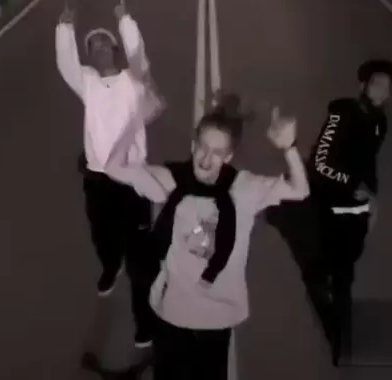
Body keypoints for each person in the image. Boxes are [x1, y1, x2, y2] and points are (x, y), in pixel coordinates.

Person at [105, 93, 310, 380]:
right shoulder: (172, 181)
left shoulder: (245, 188)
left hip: (218, 316)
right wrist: (133, 120)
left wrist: (289, 147)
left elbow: (300, 190)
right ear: (193, 146)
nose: (206, 158)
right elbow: (113, 167)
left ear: (228, 157)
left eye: (217, 152)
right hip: (173, 313)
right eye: (202, 147)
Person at [55, 0, 164, 348]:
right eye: (93, 45)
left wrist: (124, 19)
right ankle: (109, 264)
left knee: (140, 258)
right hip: (98, 180)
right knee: (101, 237)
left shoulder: (134, 80)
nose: (99, 47)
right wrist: (65, 27)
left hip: (132, 179)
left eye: (105, 42)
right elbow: (66, 62)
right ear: (89, 56)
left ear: (116, 50)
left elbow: (139, 53)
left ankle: (145, 323)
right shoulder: (86, 82)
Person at [307, 58, 392, 364]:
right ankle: (341, 343)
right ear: (363, 85)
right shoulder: (342, 113)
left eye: (387, 86)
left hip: (358, 206)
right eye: (377, 83)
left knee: (346, 264)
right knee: (342, 275)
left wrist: (372, 198)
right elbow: (320, 162)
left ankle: (335, 307)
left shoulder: (380, 121)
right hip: (331, 203)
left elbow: (367, 164)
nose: (382, 90)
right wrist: (350, 184)